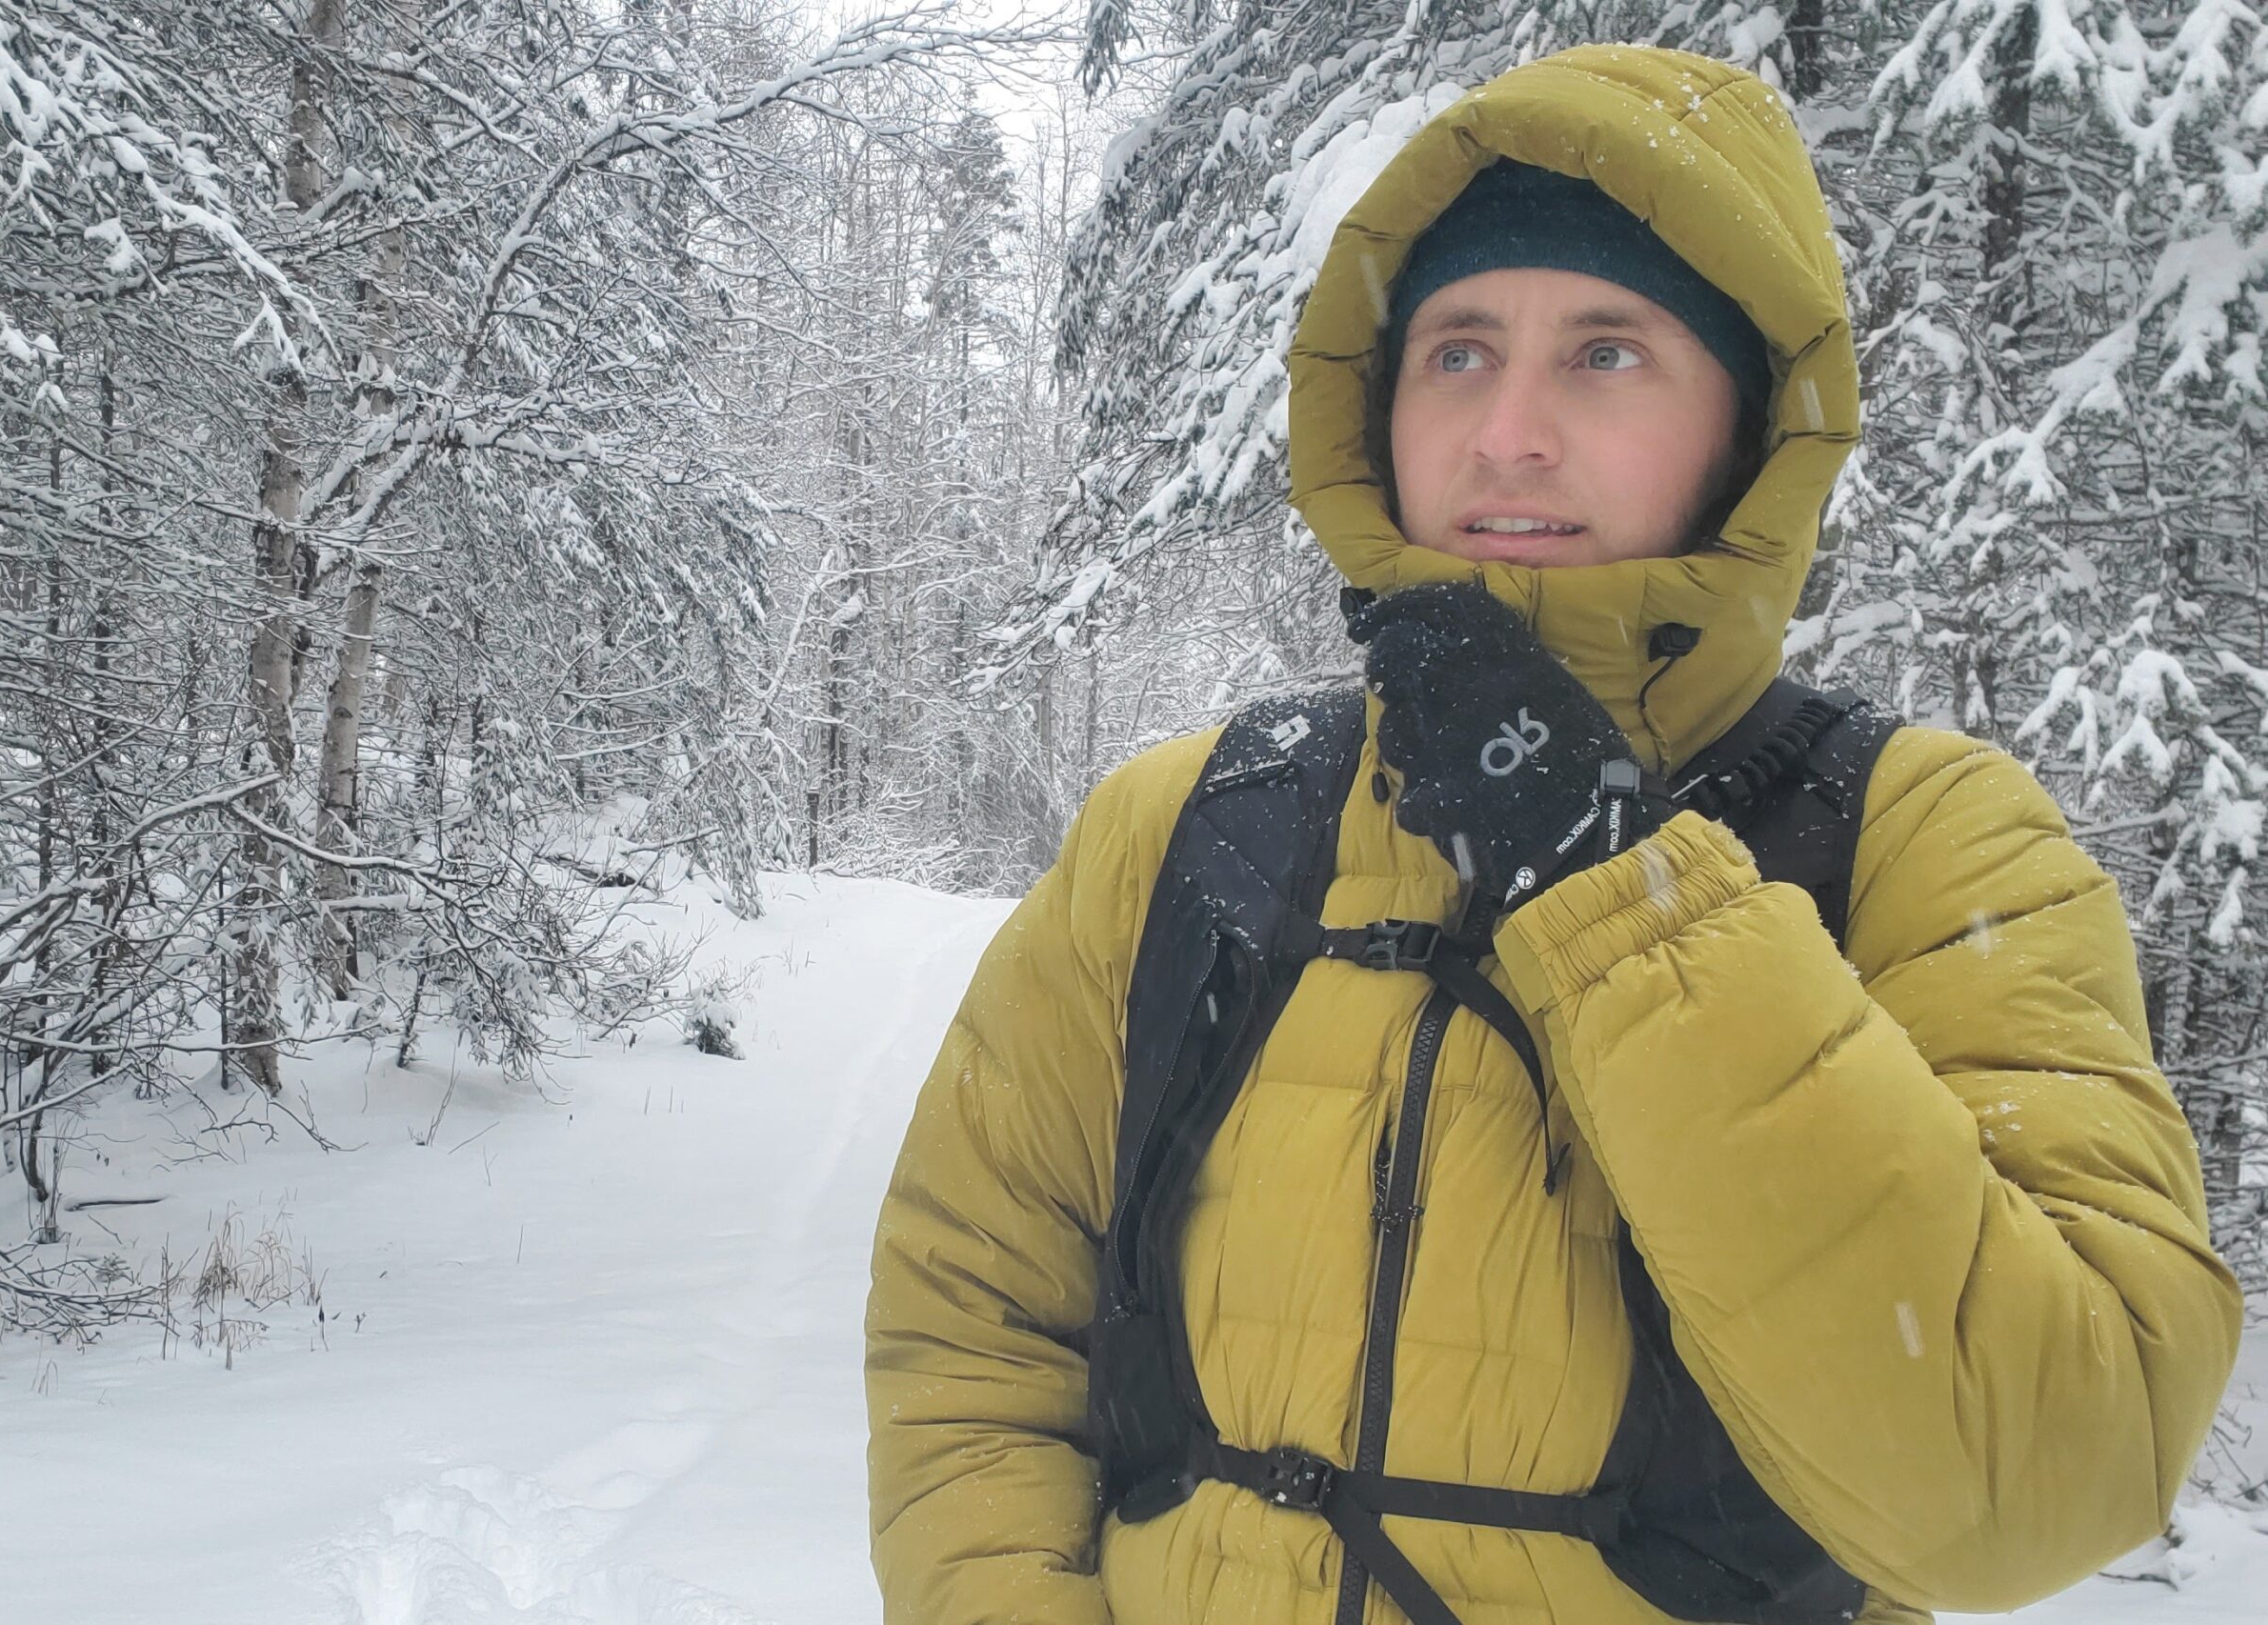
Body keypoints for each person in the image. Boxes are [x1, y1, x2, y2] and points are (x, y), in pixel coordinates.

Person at [865, 43, 2242, 1625]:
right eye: (1457, 350)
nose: (1507, 432)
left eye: (1607, 351)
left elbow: (2031, 1477)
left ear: (1747, 427)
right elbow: (973, 1325)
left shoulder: (1930, 842)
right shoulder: (1189, 822)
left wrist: (1614, 885)